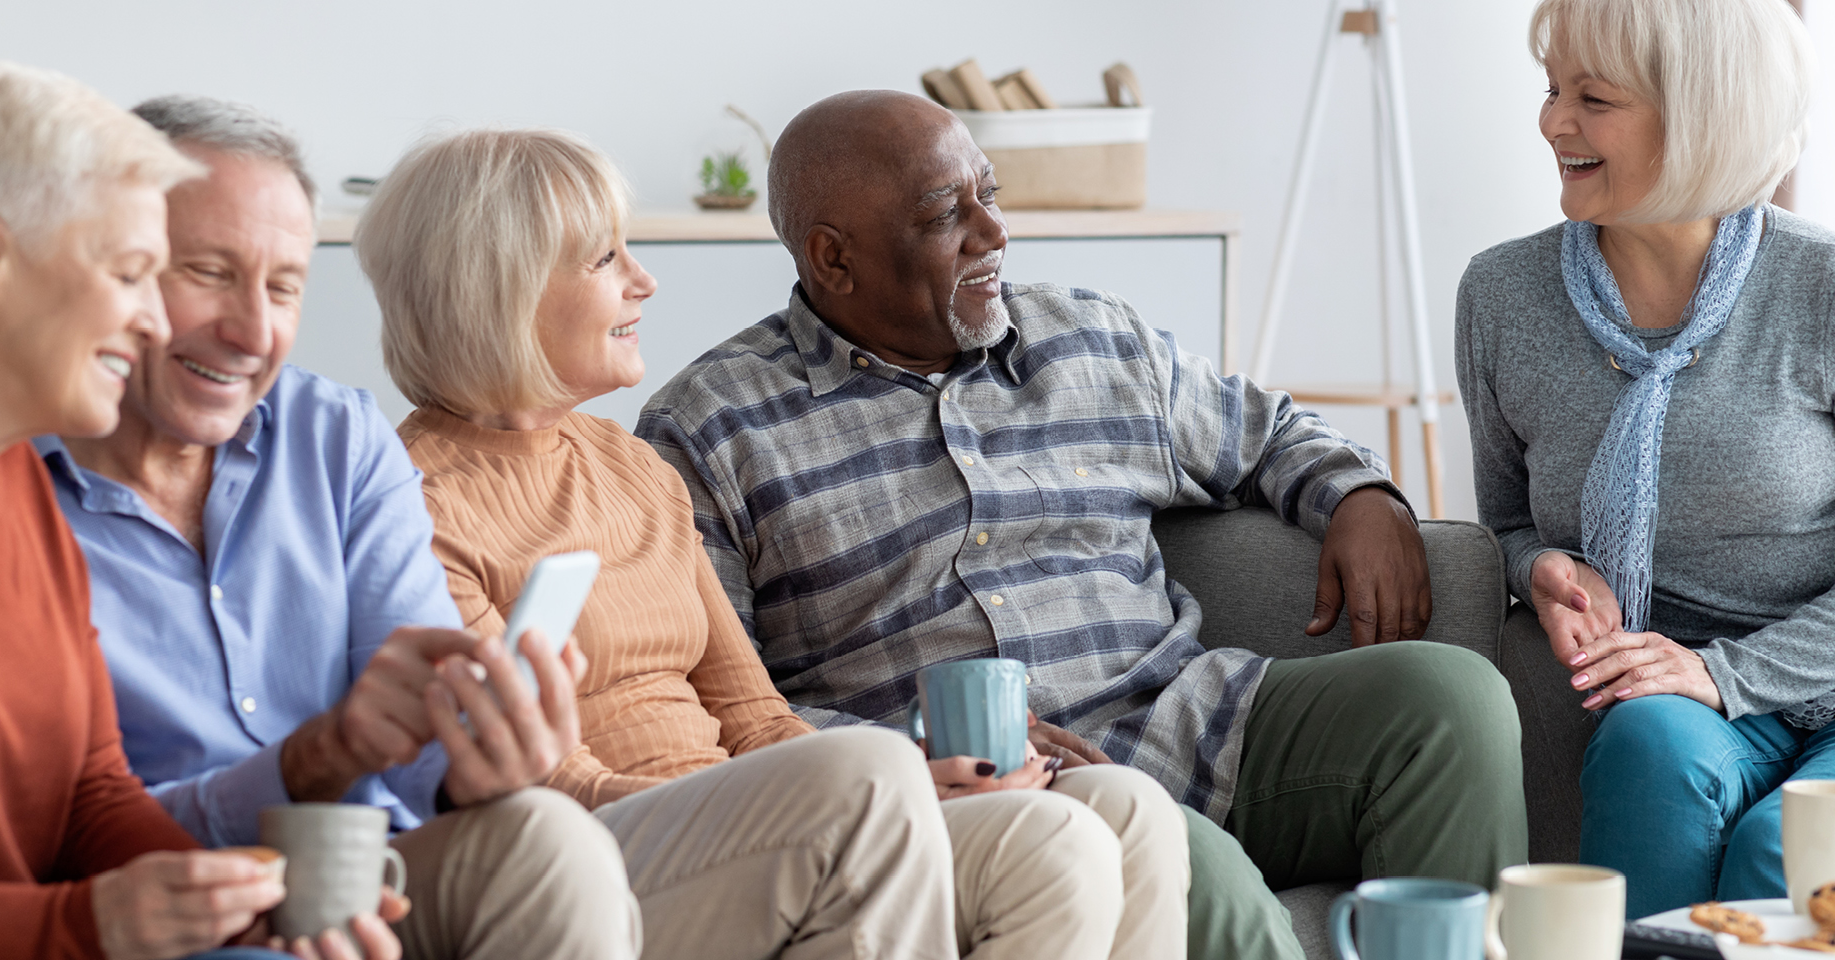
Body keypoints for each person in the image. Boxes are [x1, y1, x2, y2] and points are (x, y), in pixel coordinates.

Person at [634, 89, 1528, 960]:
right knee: (1187, 865)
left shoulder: (1093, 338)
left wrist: (1361, 495)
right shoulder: (711, 430)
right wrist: (905, 756)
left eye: (992, 194)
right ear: (834, 259)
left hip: (1189, 720)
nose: (993, 234)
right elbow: (710, 703)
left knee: (1449, 700)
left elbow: (1272, 431)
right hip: (993, 793)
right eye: (949, 215)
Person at [364, 125, 1190, 960]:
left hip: (753, 820)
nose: (643, 281)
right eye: (604, 260)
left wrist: (913, 782)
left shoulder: (634, 467)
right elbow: (530, 782)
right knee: (866, 773)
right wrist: (798, 795)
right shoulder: (410, 504)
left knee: (1118, 813)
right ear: (502, 288)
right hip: (596, 853)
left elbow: (754, 716)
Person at [34, 95, 643, 958]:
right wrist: (313, 765)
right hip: (160, 906)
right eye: (207, 272)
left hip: (382, 888)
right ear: (106, 267)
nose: (252, 331)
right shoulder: (4, 488)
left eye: (283, 287)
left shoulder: (335, 439)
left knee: (543, 833)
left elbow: (430, 761)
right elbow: (59, 835)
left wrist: (486, 760)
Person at [0, 63, 298, 960]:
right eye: (130, 273)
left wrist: (245, 906)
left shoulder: (11, 479)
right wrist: (83, 926)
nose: (155, 322)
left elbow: (90, 791)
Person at [1458, 0, 1824, 919]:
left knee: (1780, 851)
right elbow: (1505, 521)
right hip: (1672, 696)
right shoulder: (1501, 295)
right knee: (1645, 748)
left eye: (1593, 97)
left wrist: (1726, 677)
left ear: (1702, 114)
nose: (1551, 121)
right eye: (1551, 89)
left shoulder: (1820, 288)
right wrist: (1543, 566)